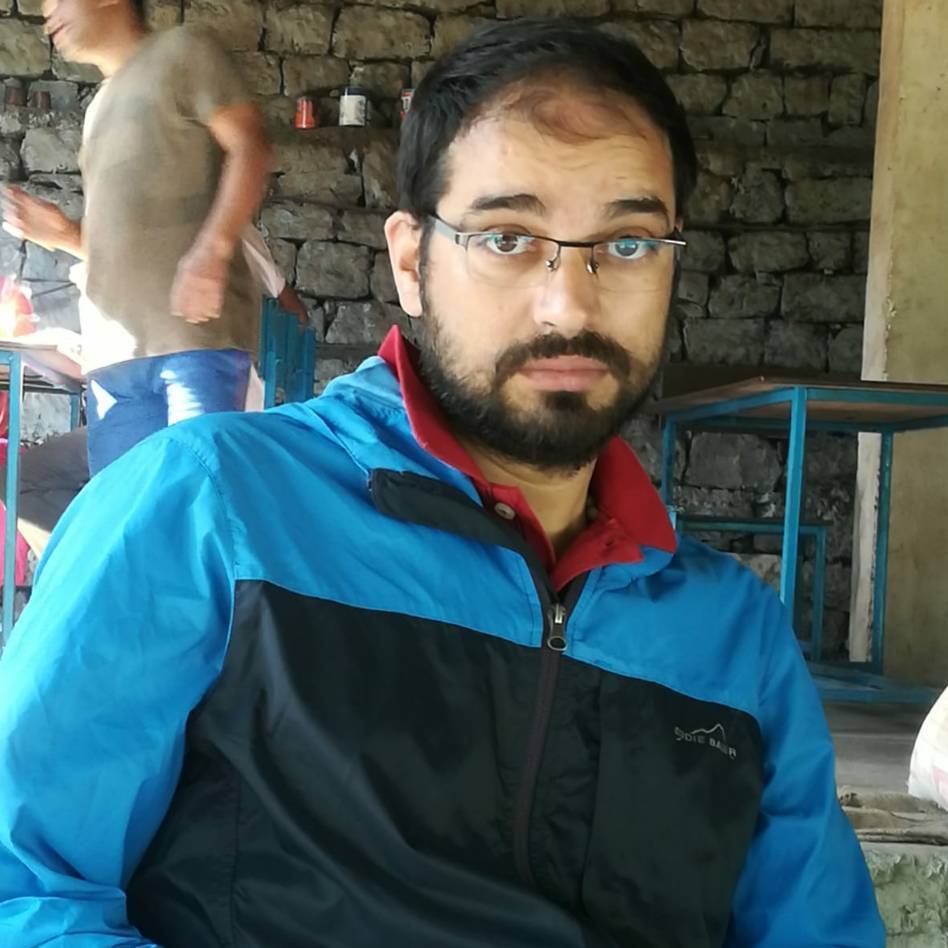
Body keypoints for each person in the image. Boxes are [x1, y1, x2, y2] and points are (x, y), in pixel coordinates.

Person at [0, 18, 884, 947]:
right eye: (507, 237)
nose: (568, 305)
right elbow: (23, 886)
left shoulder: (732, 638)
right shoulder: (211, 512)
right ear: (411, 262)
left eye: (627, 244)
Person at [1, 0, 271, 475]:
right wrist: (62, 233)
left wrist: (213, 250)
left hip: (194, 343)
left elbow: (251, 146)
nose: (48, 15)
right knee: (127, 514)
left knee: (195, 503)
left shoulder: (184, 51)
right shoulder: (98, 107)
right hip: (112, 361)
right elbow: (119, 248)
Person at [0, 228, 308, 561]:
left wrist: (64, 233)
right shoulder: (202, 232)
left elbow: (139, 345)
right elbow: (297, 316)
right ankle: (104, 569)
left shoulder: (192, 233)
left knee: (27, 480)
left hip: (169, 408)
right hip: (161, 400)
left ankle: (101, 570)